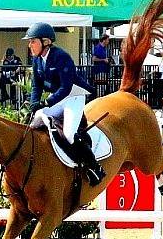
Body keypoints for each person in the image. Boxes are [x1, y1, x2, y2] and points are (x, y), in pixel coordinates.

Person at [23, 22, 104, 186]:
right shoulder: (37, 60)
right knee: (37, 119)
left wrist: (46, 102)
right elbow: (36, 86)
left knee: (68, 134)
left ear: (45, 41)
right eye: (30, 41)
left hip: (74, 95)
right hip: (59, 97)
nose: (29, 45)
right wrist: (34, 104)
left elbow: (66, 88)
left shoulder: (61, 57)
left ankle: (94, 167)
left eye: (33, 41)